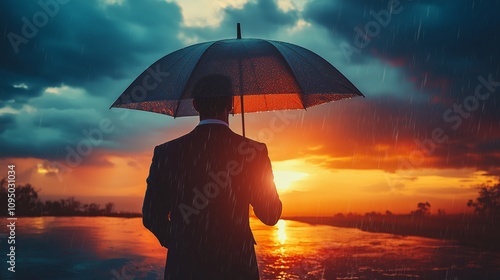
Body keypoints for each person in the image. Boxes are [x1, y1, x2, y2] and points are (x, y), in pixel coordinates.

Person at [142, 74, 282, 280]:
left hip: (184, 269)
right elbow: (270, 215)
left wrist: (180, 241)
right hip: (237, 268)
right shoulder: (254, 152)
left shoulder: (166, 152)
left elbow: (151, 215)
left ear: (196, 105)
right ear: (232, 104)